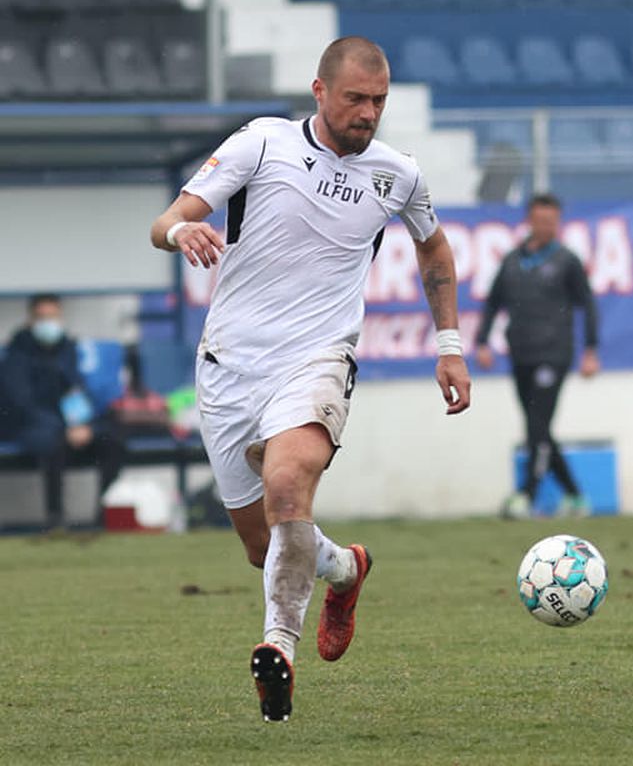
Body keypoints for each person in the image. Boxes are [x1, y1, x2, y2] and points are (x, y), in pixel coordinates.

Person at [149, 36, 471, 723]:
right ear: (320, 91)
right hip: (229, 366)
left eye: (379, 101)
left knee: (288, 484)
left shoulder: (398, 174)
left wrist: (450, 344)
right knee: (264, 547)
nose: (369, 113)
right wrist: (182, 236)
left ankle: (278, 649)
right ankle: (346, 570)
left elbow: (432, 244)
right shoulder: (261, 145)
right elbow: (167, 220)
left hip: (318, 357)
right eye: (356, 98)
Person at [475, 194, 599, 519]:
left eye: (551, 221)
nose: (546, 227)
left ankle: (526, 495)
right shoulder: (513, 260)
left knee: (537, 424)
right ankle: (574, 496)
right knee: (537, 426)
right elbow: (493, 302)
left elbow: (588, 304)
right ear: (529, 221)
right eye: (540, 220)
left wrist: (590, 351)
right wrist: (483, 341)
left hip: (554, 354)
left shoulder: (566, 261)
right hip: (521, 353)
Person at [0, 293, 124, 530]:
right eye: (42, 317)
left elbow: (76, 392)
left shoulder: (67, 350)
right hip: (31, 427)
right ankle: (55, 517)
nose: (48, 323)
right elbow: (22, 404)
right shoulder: (16, 354)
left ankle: (101, 513)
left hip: (68, 426)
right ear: (31, 319)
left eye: (53, 316)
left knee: (112, 441)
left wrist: (83, 425)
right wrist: (64, 429)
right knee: (52, 442)